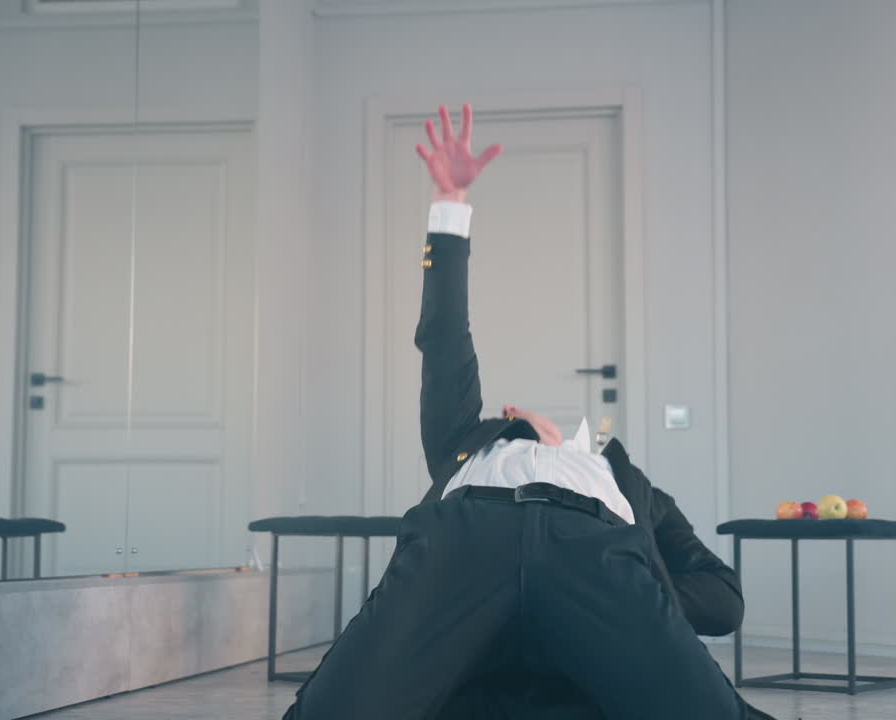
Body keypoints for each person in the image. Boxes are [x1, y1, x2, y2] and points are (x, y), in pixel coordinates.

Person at [283, 104, 769, 720]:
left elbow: (724, 601)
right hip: (464, 545)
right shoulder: (466, 438)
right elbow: (444, 338)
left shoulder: (629, 481)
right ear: (506, 414)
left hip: (598, 554)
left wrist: (645, 593)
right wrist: (448, 203)